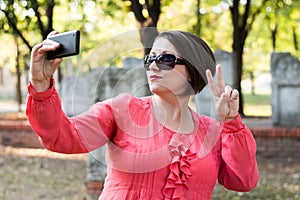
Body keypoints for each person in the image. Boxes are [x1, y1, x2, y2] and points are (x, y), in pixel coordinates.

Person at [26, 30, 259, 200]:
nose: (154, 66)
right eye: (150, 58)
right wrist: (40, 84)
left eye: (166, 59)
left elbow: (243, 181)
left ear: (193, 71)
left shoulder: (213, 131)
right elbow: (60, 136)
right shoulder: (122, 110)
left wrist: (231, 123)